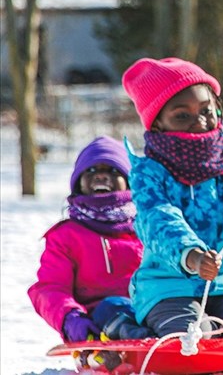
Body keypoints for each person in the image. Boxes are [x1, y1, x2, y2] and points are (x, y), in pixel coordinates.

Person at [121, 57, 223, 338]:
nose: (199, 121)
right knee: (193, 336)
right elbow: (157, 218)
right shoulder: (149, 172)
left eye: (206, 110)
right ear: (159, 124)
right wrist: (192, 256)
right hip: (168, 285)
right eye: (182, 116)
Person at [28, 137, 152, 362]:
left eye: (113, 171)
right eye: (92, 170)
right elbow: (51, 288)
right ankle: (136, 348)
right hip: (98, 321)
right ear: (78, 182)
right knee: (115, 306)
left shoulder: (149, 227)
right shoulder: (66, 236)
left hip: (152, 308)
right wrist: (70, 318)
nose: (102, 175)